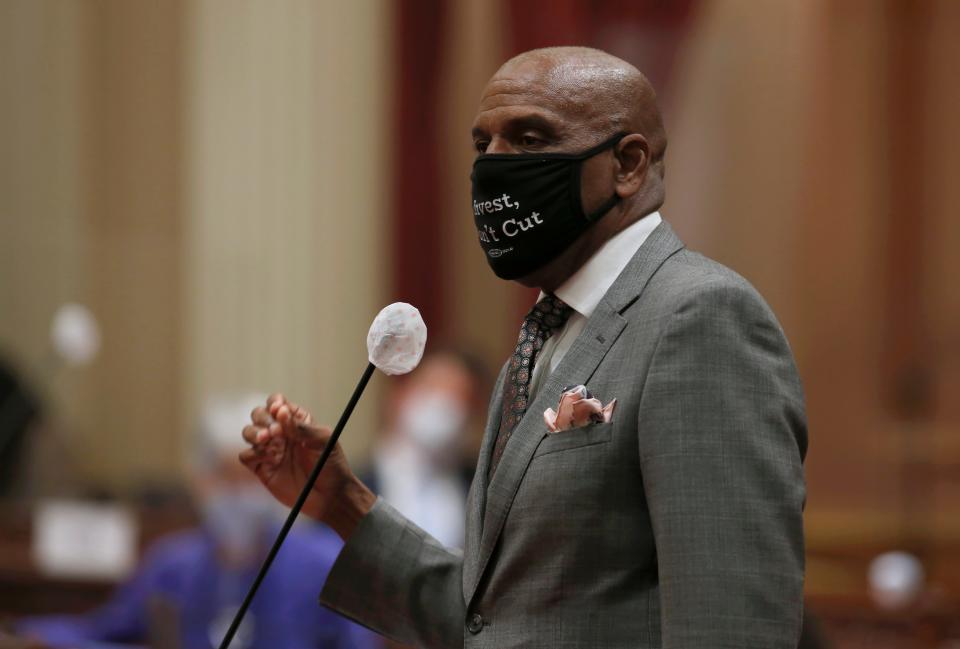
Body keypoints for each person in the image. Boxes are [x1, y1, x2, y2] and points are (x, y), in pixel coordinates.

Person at [241, 46, 808, 648]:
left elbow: (732, 628)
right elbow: (494, 622)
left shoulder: (700, 318)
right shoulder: (546, 334)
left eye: (530, 139)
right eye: (483, 145)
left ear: (628, 165)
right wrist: (342, 503)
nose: (494, 167)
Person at [15, 393, 377, 649]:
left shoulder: (322, 565)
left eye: (253, 475)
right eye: (224, 475)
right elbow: (100, 631)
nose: (238, 492)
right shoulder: (171, 566)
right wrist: (20, 632)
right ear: (200, 480)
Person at [359, 349, 489, 549]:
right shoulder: (355, 481)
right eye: (432, 389)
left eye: (457, 398)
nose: (441, 405)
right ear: (400, 394)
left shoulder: (481, 488)